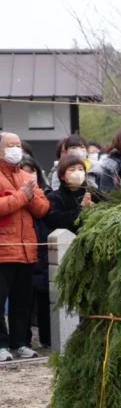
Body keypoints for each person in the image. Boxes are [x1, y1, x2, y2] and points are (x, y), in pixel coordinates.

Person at [0, 132, 50, 361]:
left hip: (26, 249)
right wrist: (21, 197)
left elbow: (42, 208)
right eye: (10, 145)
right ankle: (1, 345)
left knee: (22, 302)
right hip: (3, 249)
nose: (15, 149)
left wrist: (27, 197)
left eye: (18, 145)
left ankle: (20, 342)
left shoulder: (26, 176)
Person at [45, 154, 93, 233]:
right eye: (72, 170)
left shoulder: (94, 193)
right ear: (62, 176)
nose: (77, 173)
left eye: (81, 169)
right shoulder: (54, 197)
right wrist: (81, 209)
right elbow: (55, 221)